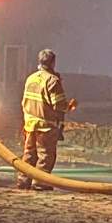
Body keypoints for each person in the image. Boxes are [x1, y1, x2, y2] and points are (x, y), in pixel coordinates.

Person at [18, 48, 75, 191]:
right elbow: (59, 105)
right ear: (53, 62)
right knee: (45, 155)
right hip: (46, 126)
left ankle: (24, 180)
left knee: (29, 154)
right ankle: (40, 182)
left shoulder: (31, 78)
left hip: (29, 124)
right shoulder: (52, 81)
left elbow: (24, 102)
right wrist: (70, 106)